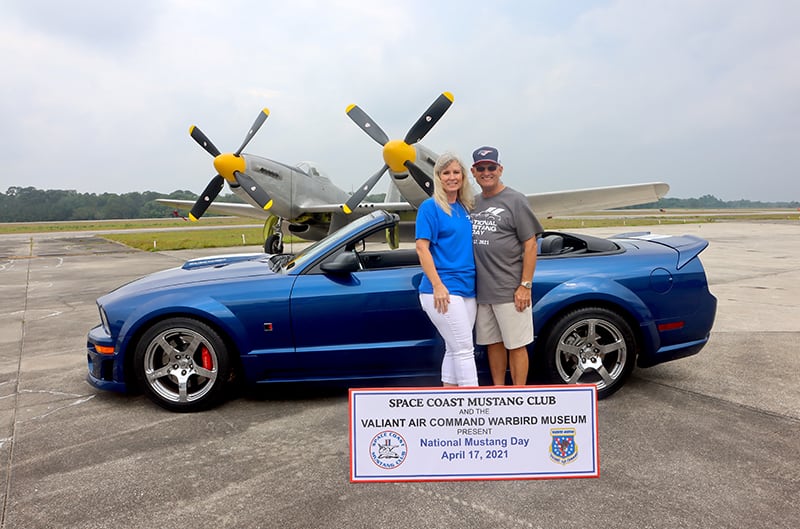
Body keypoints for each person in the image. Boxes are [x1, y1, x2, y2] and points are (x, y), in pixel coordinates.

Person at [470, 146, 544, 386]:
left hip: (510, 290)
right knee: (494, 343)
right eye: (481, 168)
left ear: (500, 169)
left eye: (491, 167)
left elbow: (530, 244)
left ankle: (518, 395)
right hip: (483, 292)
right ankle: (499, 391)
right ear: (474, 171)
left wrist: (525, 285)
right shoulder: (473, 203)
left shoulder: (515, 200)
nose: (486, 172)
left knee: (517, 345)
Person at [415, 153, 478, 387]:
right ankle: (473, 407)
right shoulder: (430, 207)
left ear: (462, 176)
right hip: (441, 290)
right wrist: (438, 285)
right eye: (446, 173)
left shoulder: (464, 207)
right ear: (438, 177)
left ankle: (449, 400)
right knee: (464, 349)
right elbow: (422, 248)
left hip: (467, 288)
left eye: (456, 172)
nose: (452, 177)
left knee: (454, 349)